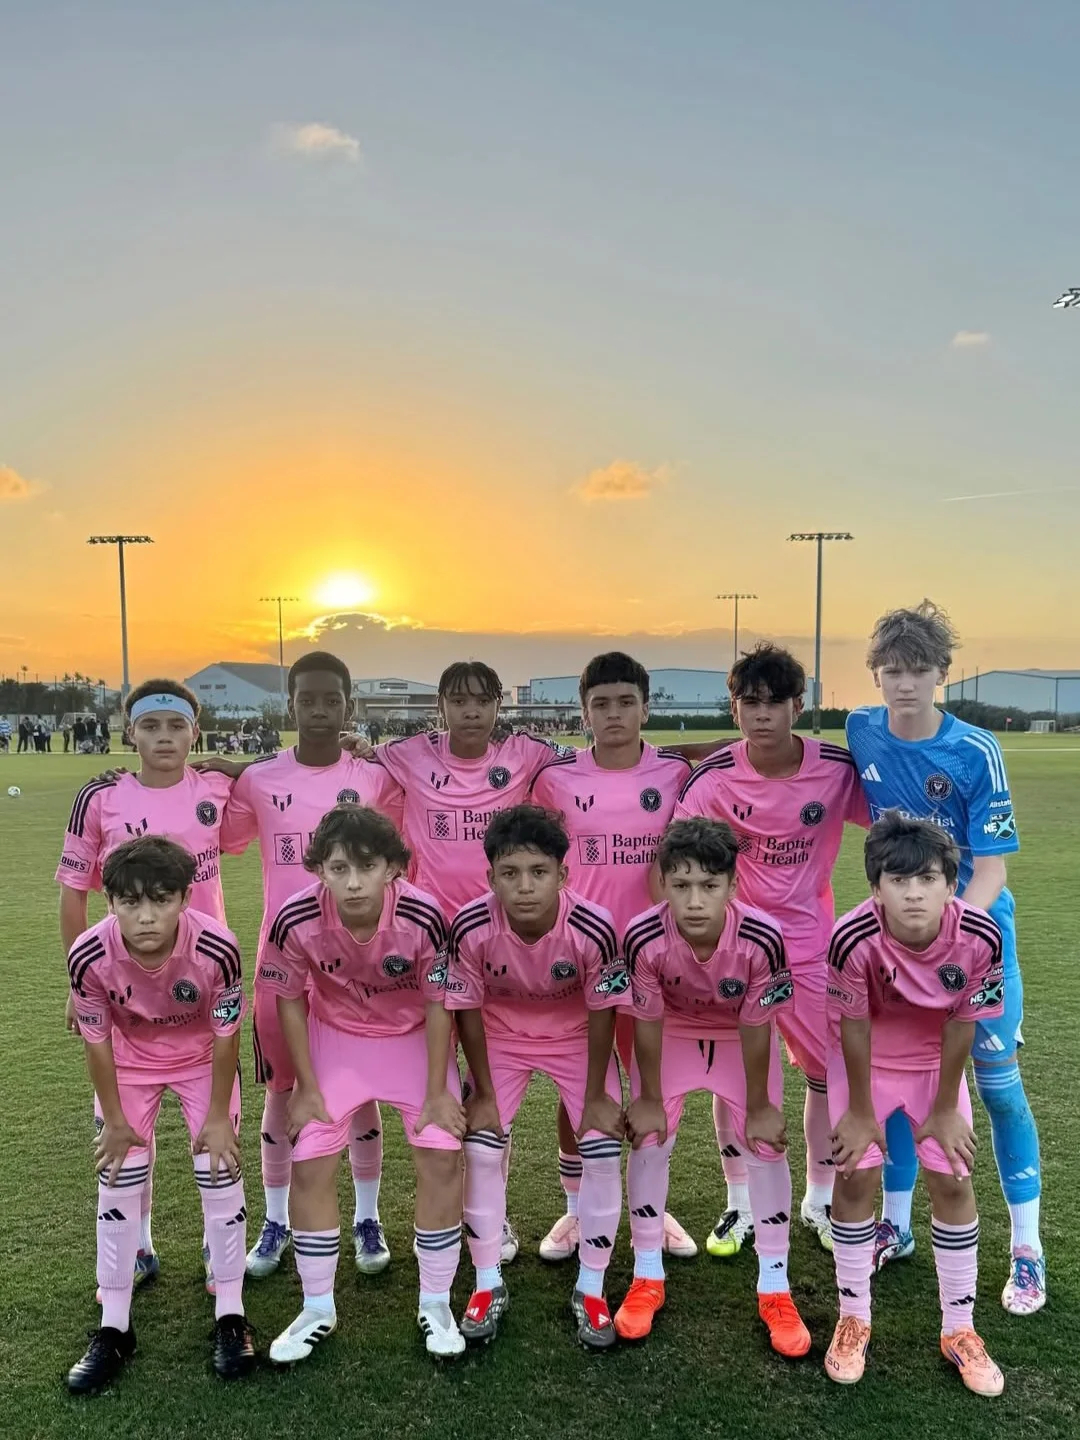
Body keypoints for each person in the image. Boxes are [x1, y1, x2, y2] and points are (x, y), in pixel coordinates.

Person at [846, 601, 1044, 1313]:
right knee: (902, 1089)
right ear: (876, 674)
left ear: (942, 674)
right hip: (892, 948)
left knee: (997, 1089)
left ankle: (1027, 1250)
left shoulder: (974, 750)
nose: (905, 684)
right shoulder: (861, 729)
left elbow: (991, 869)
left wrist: (954, 935)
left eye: (919, 670)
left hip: (974, 942)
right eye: (892, 670)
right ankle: (896, 1227)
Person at [363, 660, 569, 1267]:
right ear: (442, 706)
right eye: (459, 700)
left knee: (486, 1087)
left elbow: (602, 758)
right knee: (437, 1081)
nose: (471, 711)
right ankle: (443, 1212)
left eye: (482, 700)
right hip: (427, 943)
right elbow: (349, 762)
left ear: (498, 704)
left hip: (496, 943)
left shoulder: (527, 754)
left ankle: (493, 1216)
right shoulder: (408, 755)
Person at [210, 653, 406, 1280]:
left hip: (358, 962)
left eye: (331, 699)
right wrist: (228, 772)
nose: (319, 710)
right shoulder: (260, 780)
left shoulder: (374, 778)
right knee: (282, 1090)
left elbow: (401, 845)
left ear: (348, 704)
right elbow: (224, 836)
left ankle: (367, 1218)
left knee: (360, 1085)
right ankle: (276, 1222)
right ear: (290, 704)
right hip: (282, 962)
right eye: (307, 699)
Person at [674, 643, 869, 1256]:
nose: (762, 714)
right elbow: (681, 853)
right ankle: (740, 1203)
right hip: (738, 951)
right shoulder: (714, 777)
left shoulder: (836, 770)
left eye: (774, 702)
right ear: (734, 709)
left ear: (797, 706)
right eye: (749, 702)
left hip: (811, 949)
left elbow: (892, 817)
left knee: (825, 1072)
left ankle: (818, 1197)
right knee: (738, 1078)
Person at [258, 805, 467, 1363]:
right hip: (338, 1038)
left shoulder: (424, 915)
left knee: (441, 1154)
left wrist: (438, 1091)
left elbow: (439, 1002)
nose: (352, 882)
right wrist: (306, 1086)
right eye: (338, 868)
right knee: (310, 1158)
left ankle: (436, 1301)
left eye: (366, 867)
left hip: (411, 1039)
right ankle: (316, 1307)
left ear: (393, 868)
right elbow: (289, 1000)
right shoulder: (295, 917)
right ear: (318, 870)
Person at [56, 679, 234, 1293]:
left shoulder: (215, 788)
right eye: (150, 725)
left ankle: (217, 1246)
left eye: (176, 725)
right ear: (129, 731)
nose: (163, 737)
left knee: (215, 1127)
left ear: (194, 732)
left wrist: (235, 766)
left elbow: (270, 793)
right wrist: (77, 979)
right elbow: (74, 892)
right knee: (129, 1128)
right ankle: (139, 1246)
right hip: (124, 983)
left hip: (204, 981)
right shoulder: (100, 795)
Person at [65, 836, 255, 1393]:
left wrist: (217, 1116)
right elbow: (97, 1044)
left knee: (219, 1170)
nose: (145, 916)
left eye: (161, 900)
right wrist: (115, 1121)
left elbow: (225, 1036)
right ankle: (114, 1327)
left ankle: (231, 1315)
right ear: (110, 902)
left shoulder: (217, 948)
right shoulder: (88, 955)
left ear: (185, 898)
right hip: (129, 1066)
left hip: (201, 1061)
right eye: (129, 902)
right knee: (118, 1177)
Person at [823, 813, 1005, 1394]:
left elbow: (962, 1022)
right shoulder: (852, 936)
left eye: (927, 878)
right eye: (898, 880)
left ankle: (959, 1328)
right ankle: (853, 1316)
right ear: (876, 888)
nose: (914, 893)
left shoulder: (981, 935)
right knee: (854, 1174)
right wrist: (859, 1111)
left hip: (932, 1063)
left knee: (953, 1175)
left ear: (951, 885)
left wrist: (947, 1108)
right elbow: (853, 1026)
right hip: (867, 1061)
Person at [527, 652, 700, 1261]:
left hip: (656, 957)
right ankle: (576, 1208)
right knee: (581, 1087)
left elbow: (724, 757)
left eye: (626, 702)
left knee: (657, 1085)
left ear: (646, 707)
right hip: (582, 959)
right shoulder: (556, 779)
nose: (614, 714)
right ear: (584, 712)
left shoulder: (675, 773)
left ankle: (653, 1206)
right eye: (601, 704)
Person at [618, 818, 810, 1357]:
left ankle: (775, 1286)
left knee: (766, 1142)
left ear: (733, 885)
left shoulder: (761, 937)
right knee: (648, 1137)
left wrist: (760, 1105)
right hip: (674, 1032)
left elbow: (756, 1024)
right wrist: (648, 1098)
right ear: (662, 884)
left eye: (709, 885)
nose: (695, 900)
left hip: (736, 1033)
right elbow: (647, 1020)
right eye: (681, 885)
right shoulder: (643, 935)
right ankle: (646, 1274)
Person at [446, 805, 629, 1349]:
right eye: (510, 873)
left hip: (575, 1038)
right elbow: (467, 1009)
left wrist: (595, 1095)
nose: (525, 886)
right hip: (502, 1039)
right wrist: (481, 1091)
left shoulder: (594, 926)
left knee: (601, 1150)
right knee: (481, 1148)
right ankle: (486, 1283)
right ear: (490, 878)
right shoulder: (471, 925)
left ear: (562, 874)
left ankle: (591, 1288)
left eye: (538, 872)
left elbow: (602, 1010)